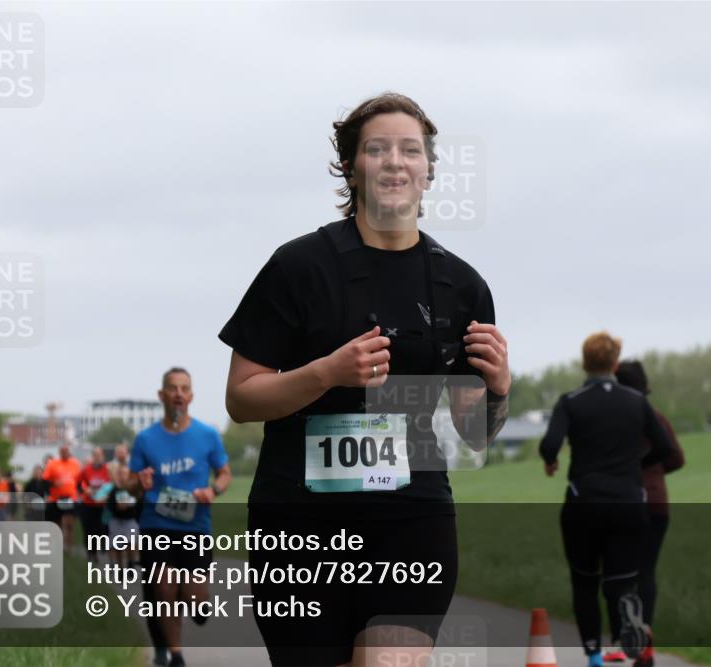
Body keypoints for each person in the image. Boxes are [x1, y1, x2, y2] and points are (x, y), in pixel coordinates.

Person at [220, 92, 510, 667]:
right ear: (351, 166)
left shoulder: (462, 286)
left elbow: (475, 431)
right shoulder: (298, 267)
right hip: (299, 527)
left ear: (428, 169)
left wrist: (499, 388)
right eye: (377, 149)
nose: (395, 161)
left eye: (410, 150)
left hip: (412, 521)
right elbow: (241, 398)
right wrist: (327, 372)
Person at [539, 332, 675, 667]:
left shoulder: (571, 401)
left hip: (584, 502)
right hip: (629, 502)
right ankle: (628, 614)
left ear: (585, 363)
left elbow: (550, 444)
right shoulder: (636, 401)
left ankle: (593, 656)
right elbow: (665, 447)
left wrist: (551, 460)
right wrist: (637, 465)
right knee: (622, 579)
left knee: (584, 581)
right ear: (615, 363)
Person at [126, 367, 231, 667]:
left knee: (195, 597)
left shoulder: (207, 435)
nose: (178, 394)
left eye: (184, 388)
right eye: (172, 388)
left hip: (195, 526)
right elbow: (132, 487)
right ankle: (176, 654)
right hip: (156, 524)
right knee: (163, 587)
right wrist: (140, 483)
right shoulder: (145, 440)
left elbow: (224, 474)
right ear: (162, 395)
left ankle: (196, 606)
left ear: (191, 396)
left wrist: (213, 490)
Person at [609, 360, 685, 666]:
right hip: (657, 504)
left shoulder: (615, 420)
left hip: (624, 503)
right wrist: (653, 471)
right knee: (647, 571)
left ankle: (624, 639)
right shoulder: (658, 418)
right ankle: (646, 636)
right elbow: (677, 458)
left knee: (619, 573)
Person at [42, 445, 81, 550]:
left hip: (70, 498)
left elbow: (79, 481)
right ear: (59, 452)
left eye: (66, 451)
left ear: (69, 452)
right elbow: (45, 481)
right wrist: (54, 483)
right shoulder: (52, 464)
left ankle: (69, 547)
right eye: (62, 451)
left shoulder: (75, 463)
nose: (64, 453)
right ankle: (56, 547)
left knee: (69, 524)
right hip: (56, 498)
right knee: (56, 525)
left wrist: (80, 492)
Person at [78, 447, 112, 563]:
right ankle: (91, 553)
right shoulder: (86, 470)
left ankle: (99, 551)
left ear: (103, 456)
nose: (97, 457)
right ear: (92, 457)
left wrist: (106, 494)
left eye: (99, 455)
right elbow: (79, 484)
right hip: (88, 504)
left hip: (102, 505)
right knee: (89, 530)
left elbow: (112, 485)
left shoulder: (108, 469)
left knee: (101, 530)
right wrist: (85, 490)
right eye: (95, 455)